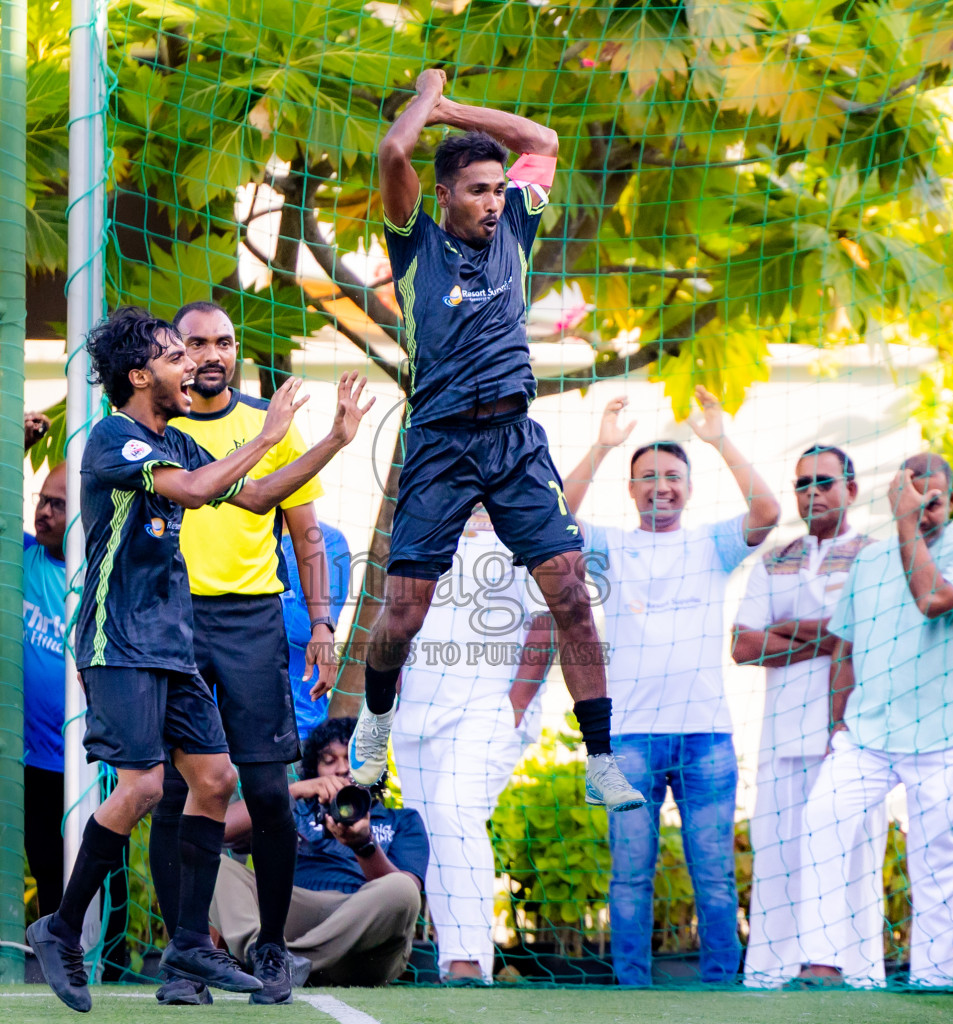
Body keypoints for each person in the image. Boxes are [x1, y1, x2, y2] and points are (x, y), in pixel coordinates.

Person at [23, 306, 370, 1013]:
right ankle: (59, 930)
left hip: (171, 644)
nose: (193, 365)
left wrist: (332, 439)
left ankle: (187, 942)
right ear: (141, 374)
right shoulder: (115, 442)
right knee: (148, 788)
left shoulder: (174, 439)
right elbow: (194, 491)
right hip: (118, 643)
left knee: (213, 781)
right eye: (178, 355)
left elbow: (256, 497)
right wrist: (267, 433)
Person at [346, 67, 644, 813]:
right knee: (405, 612)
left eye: (496, 187)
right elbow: (392, 155)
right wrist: (422, 104)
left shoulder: (517, 224)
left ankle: (600, 756)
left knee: (572, 592)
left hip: (515, 440)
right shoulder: (416, 245)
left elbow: (541, 139)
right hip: (441, 445)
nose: (491, 200)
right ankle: (376, 724)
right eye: (476, 190)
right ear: (443, 196)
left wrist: (451, 106)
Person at [145, 300, 373, 1006]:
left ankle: (270, 951)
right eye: (195, 344)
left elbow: (307, 537)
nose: (212, 354)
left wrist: (326, 624)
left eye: (224, 342)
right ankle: (186, 957)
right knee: (175, 793)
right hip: (171, 619)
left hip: (251, 623)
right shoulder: (154, 427)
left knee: (269, 792)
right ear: (174, 355)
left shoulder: (271, 424)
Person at [561, 392, 780, 986]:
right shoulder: (611, 543)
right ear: (631, 489)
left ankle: (719, 989)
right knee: (630, 876)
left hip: (706, 737)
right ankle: (632, 990)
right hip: (629, 738)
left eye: (673, 476)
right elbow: (553, 514)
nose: (661, 485)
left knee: (714, 875)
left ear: (690, 486)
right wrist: (604, 446)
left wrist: (719, 438)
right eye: (648, 477)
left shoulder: (712, 542)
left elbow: (767, 510)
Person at [795, 453, 953, 989]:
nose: (922, 508)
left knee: (932, 864)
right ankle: (822, 965)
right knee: (820, 821)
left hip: (945, 739)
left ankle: (932, 981)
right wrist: (835, 726)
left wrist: (905, 522)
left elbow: (932, 598)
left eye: (932, 499)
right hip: (866, 735)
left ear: (950, 501)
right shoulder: (868, 561)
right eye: (912, 497)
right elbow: (844, 648)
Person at [0, 421, 134, 975]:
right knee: (53, 880)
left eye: (59, 505)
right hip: (36, 760)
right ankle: (66, 971)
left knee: (108, 880)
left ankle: (117, 970)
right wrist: (14, 450)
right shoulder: (22, 560)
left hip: (98, 761)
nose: (44, 512)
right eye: (42, 501)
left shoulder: (110, 571)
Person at [732, 444, 885, 989]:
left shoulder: (877, 555)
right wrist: (823, 633)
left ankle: (857, 974)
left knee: (854, 859)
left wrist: (792, 629)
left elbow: (870, 639)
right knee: (776, 857)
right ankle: (770, 976)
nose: (812, 493)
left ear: (851, 489)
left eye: (823, 482)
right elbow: (743, 646)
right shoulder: (775, 558)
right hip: (780, 736)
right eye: (802, 484)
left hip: (856, 738)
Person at [391, 505, 549, 983]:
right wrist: (391, 698)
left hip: (489, 707)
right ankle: (450, 963)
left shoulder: (523, 513)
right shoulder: (420, 515)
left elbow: (549, 618)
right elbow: (397, 617)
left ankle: (469, 963)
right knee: (432, 831)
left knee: (455, 810)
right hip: (415, 714)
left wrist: (516, 705)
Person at [212, 717, 428, 987]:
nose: (342, 769)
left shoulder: (402, 820)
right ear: (314, 769)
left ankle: (277, 963)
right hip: (295, 912)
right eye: (329, 760)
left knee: (401, 889)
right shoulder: (295, 809)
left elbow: (407, 897)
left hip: (365, 939)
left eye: (353, 760)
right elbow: (214, 831)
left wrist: (364, 845)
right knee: (213, 865)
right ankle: (262, 952)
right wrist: (291, 792)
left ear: (374, 768)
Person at [281, 520, 351, 739]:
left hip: (298, 722)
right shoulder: (232, 529)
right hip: (223, 716)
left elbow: (313, 629)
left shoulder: (328, 539)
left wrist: (246, 597)